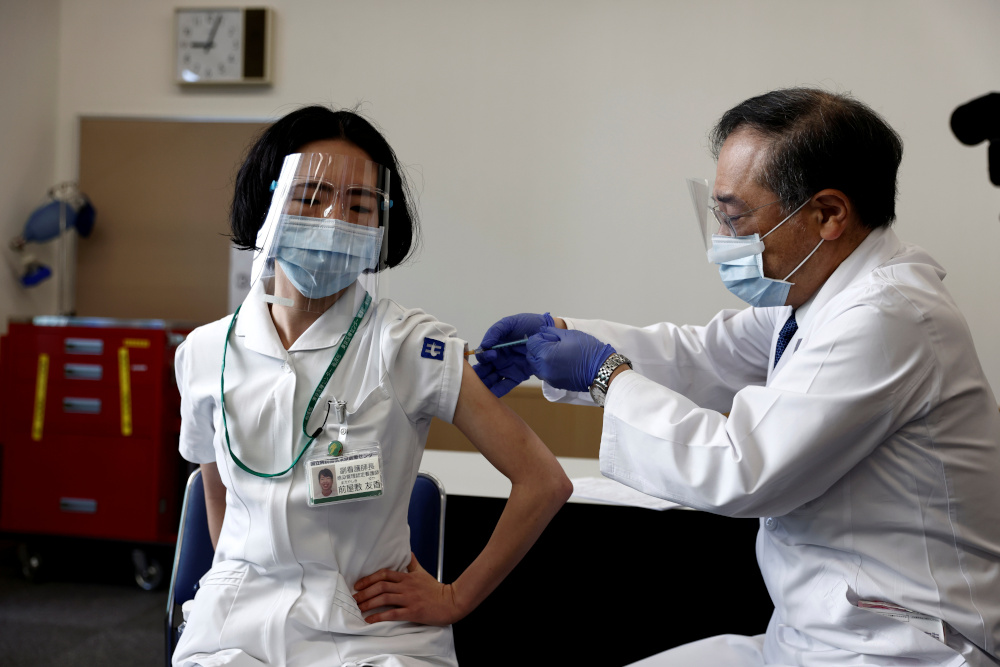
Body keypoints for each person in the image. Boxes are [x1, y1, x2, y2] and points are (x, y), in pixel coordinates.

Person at [474, 88, 1000, 666]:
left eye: (737, 217)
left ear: (827, 214)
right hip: (814, 638)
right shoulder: (818, 295)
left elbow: (742, 468)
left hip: (900, 650)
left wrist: (603, 374)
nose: (725, 241)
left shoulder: (887, 316)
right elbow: (704, 355)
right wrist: (562, 333)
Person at [172, 105, 572, 667]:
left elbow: (543, 481)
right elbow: (215, 488)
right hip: (233, 628)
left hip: (370, 633)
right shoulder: (205, 352)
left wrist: (455, 597)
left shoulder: (411, 345)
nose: (335, 219)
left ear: (382, 226)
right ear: (267, 204)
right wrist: (237, 576)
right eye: (312, 196)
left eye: (360, 205)